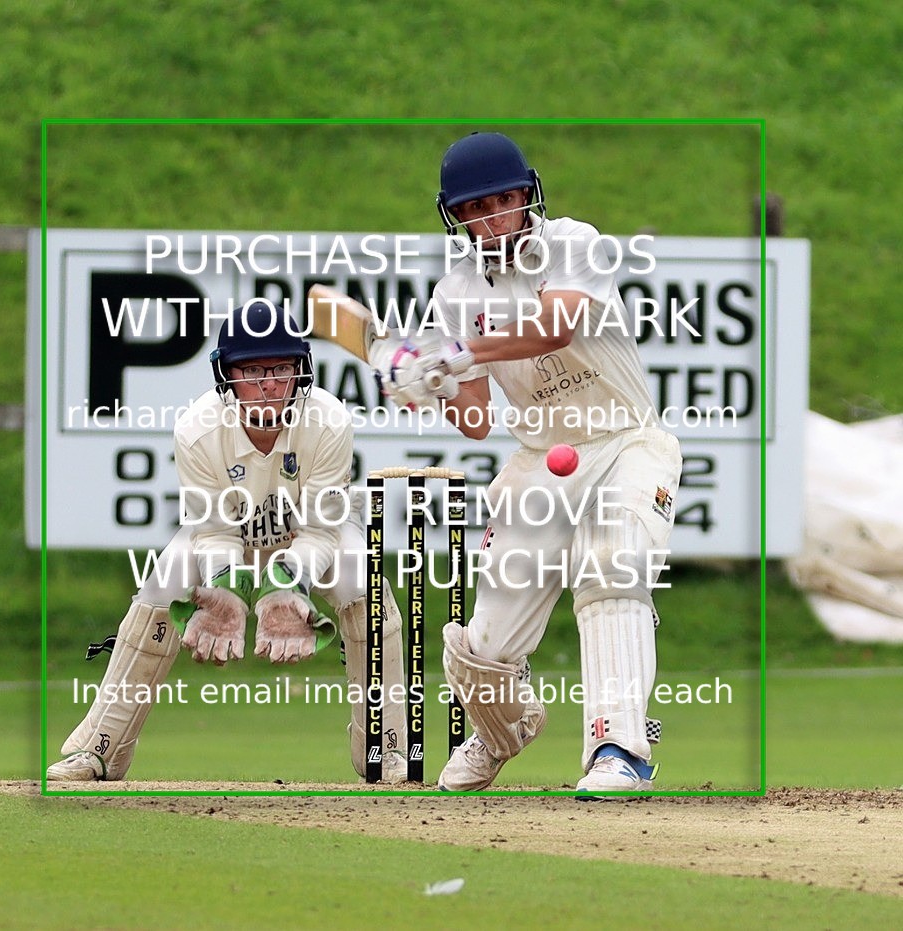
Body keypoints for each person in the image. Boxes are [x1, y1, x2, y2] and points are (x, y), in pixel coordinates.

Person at [376, 132, 682, 792]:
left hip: (626, 441)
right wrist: (432, 385)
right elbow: (476, 419)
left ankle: (619, 750)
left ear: (526, 196)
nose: (492, 219)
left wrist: (461, 352)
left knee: (611, 567)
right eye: (475, 209)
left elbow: (554, 328)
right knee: (487, 645)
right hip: (542, 461)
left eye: (503, 201)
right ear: (455, 216)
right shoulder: (456, 292)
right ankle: (501, 731)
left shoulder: (573, 242)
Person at [48, 300, 409, 783]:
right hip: (230, 538)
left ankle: (386, 749)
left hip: (309, 538)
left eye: (280, 368)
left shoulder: (329, 421)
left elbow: (321, 529)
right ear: (227, 375)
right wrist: (227, 588)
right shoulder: (197, 430)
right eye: (253, 370)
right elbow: (213, 531)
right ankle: (100, 749)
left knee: (364, 582)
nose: (269, 384)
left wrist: (288, 584)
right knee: (163, 582)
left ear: (300, 369)